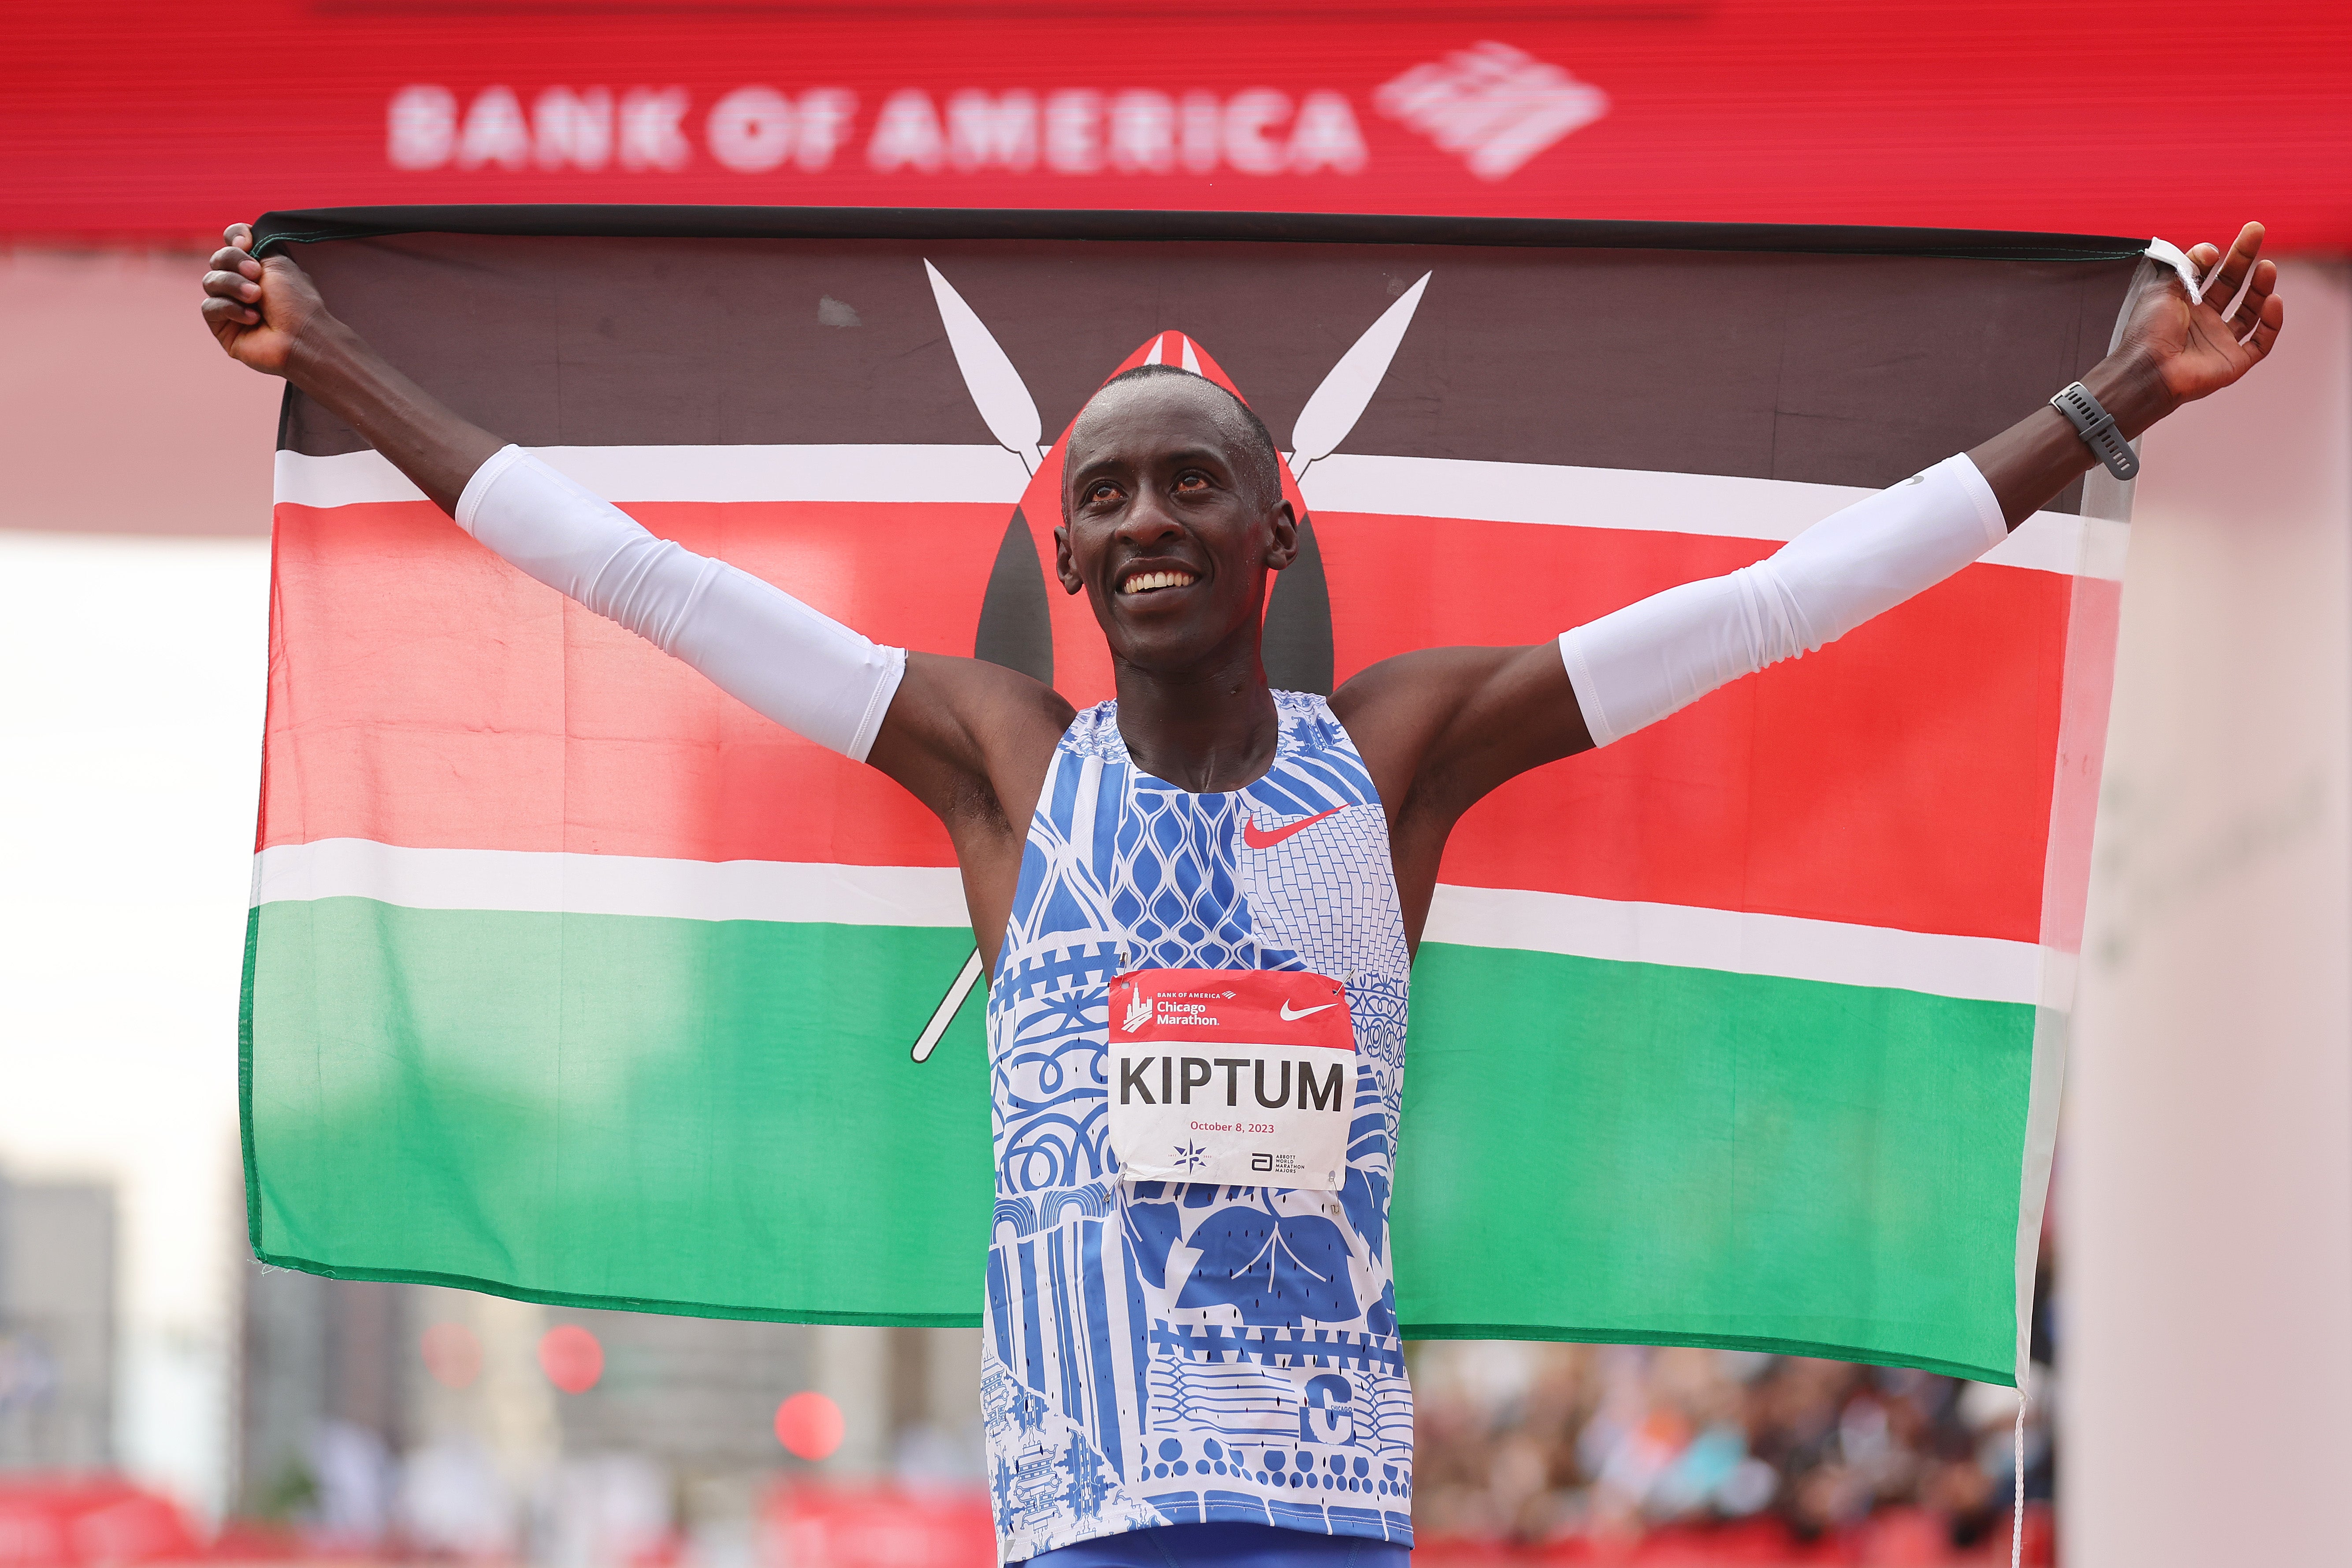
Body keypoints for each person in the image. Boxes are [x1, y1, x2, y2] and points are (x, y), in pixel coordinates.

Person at [203, 221, 2281, 1567]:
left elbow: (1770, 612)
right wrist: (342, 364)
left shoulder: (1393, 756)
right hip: (1080, 1508)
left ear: (1273, 530)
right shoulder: (1003, 762)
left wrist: (2109, 408)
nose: (1143, 516)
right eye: (1103, 493)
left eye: (1190, 477)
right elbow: (634, 574)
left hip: (1327, 1508)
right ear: (1077, 561)